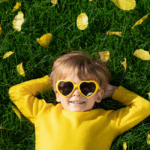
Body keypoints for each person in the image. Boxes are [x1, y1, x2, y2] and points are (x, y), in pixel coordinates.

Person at [9, 51, 150, 150]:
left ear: (99, 95)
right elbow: (16, 92)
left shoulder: (108, 120)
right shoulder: (43, 113)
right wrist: (50, 80)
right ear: (57, 94)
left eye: (87, 87)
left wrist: (113, 92)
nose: (76, 93)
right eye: (66, 87)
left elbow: (144, 107)